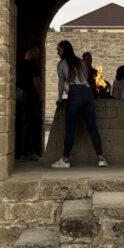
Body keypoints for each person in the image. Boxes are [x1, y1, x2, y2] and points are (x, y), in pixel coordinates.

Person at [52, 40, 107, 168]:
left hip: (75, 93)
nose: (57, 52)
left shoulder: (61, 64)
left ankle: (65, 160)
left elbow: (61, 83)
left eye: (59, 50)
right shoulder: (81, 62)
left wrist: (60, 99)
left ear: (64, 50)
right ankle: (101, 159)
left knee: (70, 129)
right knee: (93, 128)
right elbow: (85, 78)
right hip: (88, 93)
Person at [16, 45, 44, 161]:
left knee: (22, 125)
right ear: (32, 53)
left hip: (21, 99)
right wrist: (41, 95)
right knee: (32, 126)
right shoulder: (32, 65)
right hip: (31, 99)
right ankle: (29, 152)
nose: (38, 56)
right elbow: (36, 82)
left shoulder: (20, 64)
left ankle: (21, 153)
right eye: (37, 53)